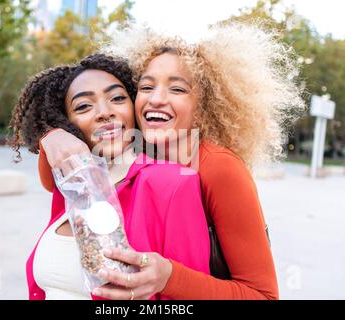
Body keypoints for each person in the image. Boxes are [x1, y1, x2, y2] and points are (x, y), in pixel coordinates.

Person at [38, 22, 306, 300]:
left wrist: (170, 278)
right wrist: (52, 134)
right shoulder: (138, 153)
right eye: (146, 87)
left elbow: (263, 295)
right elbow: (52, 182)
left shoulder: (219, 168)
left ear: (203, 107)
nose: (156, 99)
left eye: (177, 90)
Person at [8, 53, 210, 300]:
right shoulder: (71, 184)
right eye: (83, 106)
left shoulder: (171, 183)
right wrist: (51, 136)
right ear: (65, 122)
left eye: (117, 98)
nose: (105, 112)